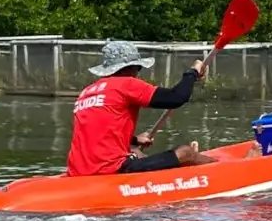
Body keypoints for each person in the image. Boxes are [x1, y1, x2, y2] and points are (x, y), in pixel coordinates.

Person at [66, 40, 212, 177]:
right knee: (185, 152)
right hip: (109, 170)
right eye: (138, 68)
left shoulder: (87, 92)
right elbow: (176, 98)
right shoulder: (126, 84)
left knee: (135, 151)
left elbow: (99, 130)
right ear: (132, 68)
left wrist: (135, 140)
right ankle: (218, 169)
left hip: (77, 171)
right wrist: (192, 73)